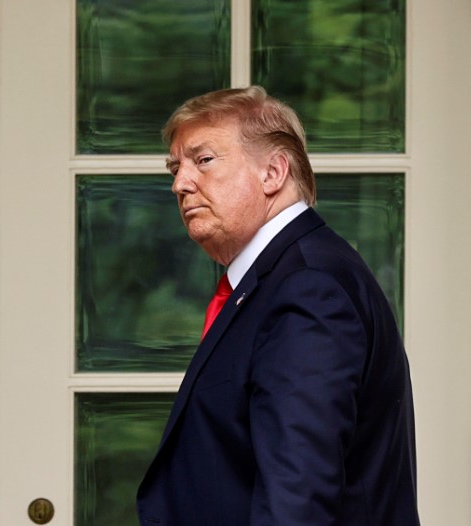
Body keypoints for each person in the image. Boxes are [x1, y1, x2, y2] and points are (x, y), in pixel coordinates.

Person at [136, 86, 420, 525]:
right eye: (176, 167)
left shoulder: (309, 287)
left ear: (273, 172)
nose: (180, 183)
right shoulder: (285, 278)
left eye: (203, 160)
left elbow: (298, 498)